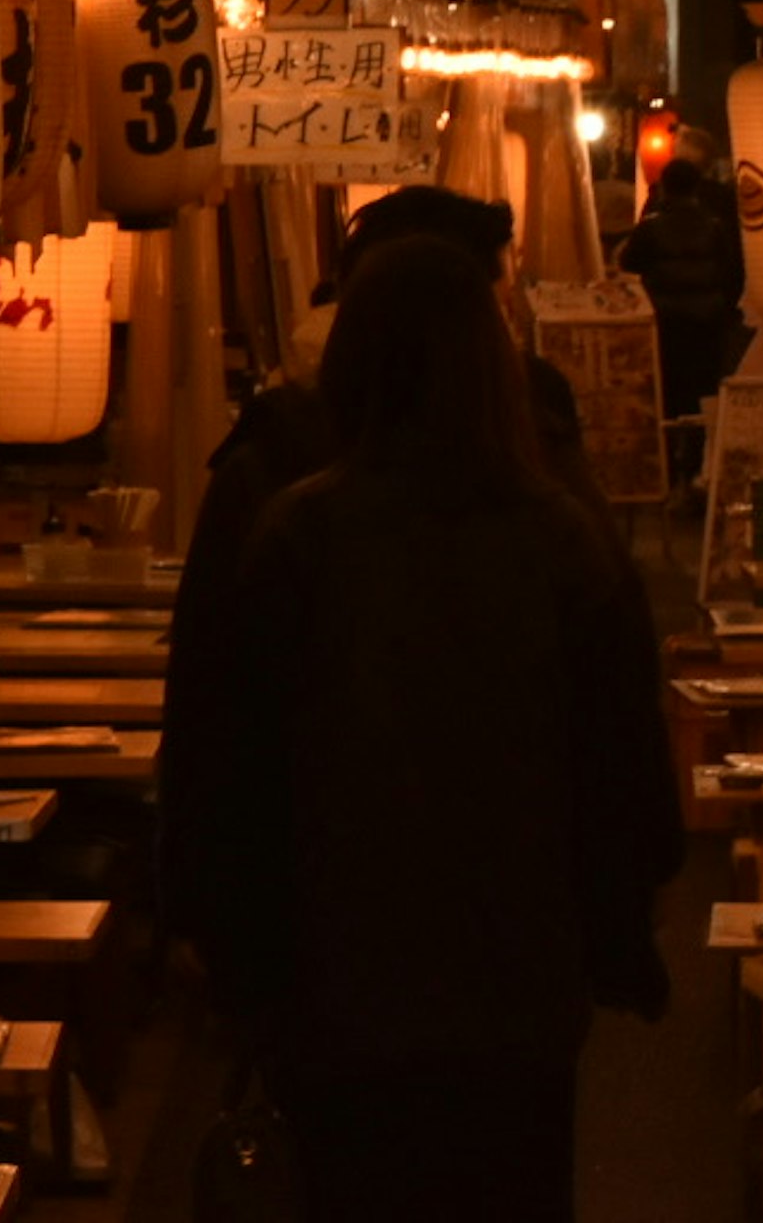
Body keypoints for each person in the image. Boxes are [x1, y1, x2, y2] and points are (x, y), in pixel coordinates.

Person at [191, 235, 685, 1223]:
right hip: (519, 990)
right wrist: (613, 935)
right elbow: (630, 778)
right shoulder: (565, 544)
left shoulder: (299, 537)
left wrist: (244, 965)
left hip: (337, 991)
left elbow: (229, 775)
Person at [162, 184, 610, 961]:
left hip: (324, 928)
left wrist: (213, 915)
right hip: (516, 927)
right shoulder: (544, 493)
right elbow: (612, 707)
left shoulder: (279, 488)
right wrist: (620, 913)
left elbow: (213, 708)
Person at [617, 153, 747, 428]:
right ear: (696, 186)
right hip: (708, 320)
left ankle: (673, 445)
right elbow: (732, 271)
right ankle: (702, 445)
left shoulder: (651, 228)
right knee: (705, 387)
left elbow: (628, 261)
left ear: (665, 186)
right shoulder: (714, 227)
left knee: (670, 388)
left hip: (666, 320)